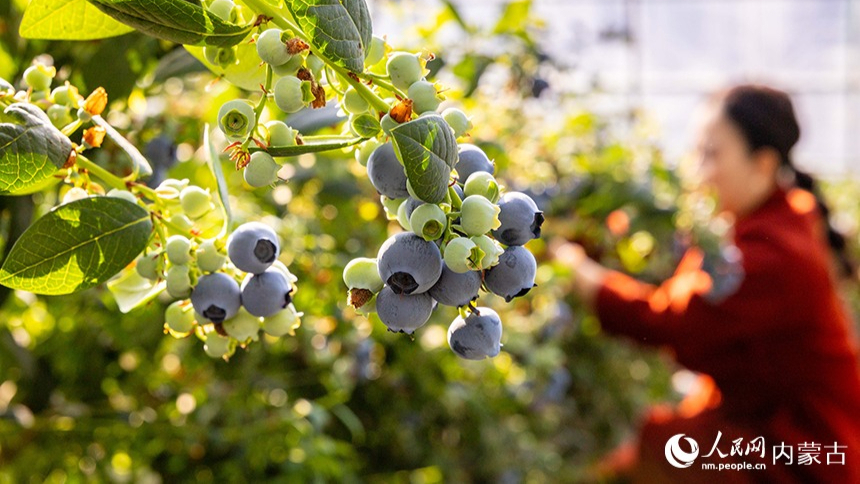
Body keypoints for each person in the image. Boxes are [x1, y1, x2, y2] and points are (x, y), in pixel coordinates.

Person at [555, 85, 860, 483]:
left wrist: (577, 271)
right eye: (698, 152)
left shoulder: (773, 255)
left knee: (649, 456)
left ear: (763, 163)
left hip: (801, 448)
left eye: (711, 154)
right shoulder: (764, 224)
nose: (698, 170)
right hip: (769, 426)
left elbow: (669, 319)